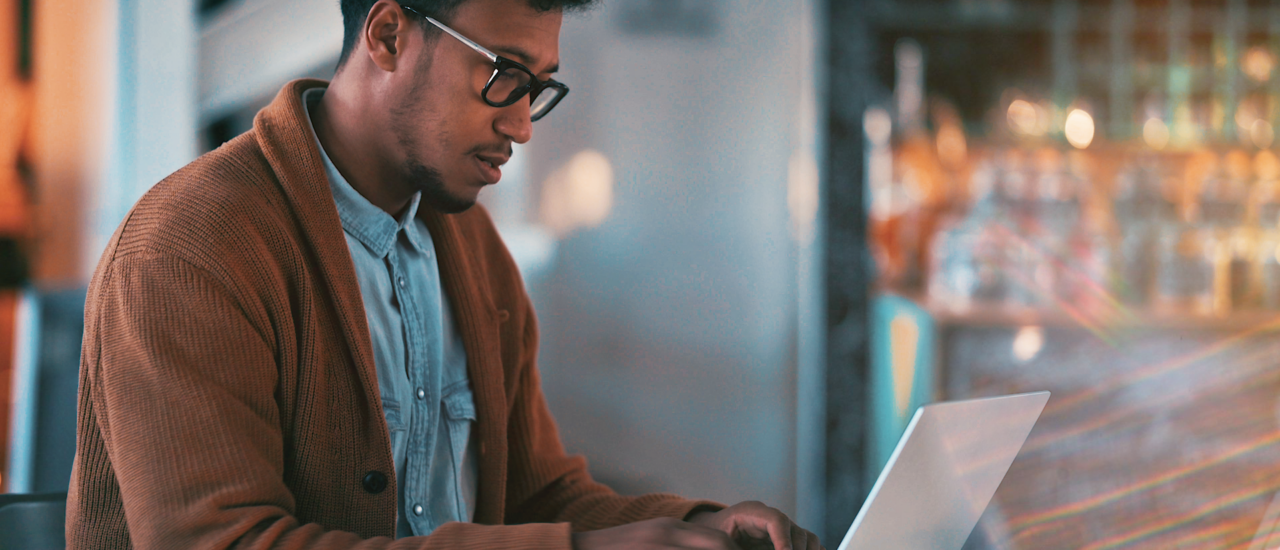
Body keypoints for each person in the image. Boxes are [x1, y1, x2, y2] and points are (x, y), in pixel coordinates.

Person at [66, 0, 824, 548]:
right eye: (503, 74)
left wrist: (699, 526)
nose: (522, 123)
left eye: (538, 87)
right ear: (389, 34)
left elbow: (532, 494)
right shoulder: (191, 249)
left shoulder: (469, 245)